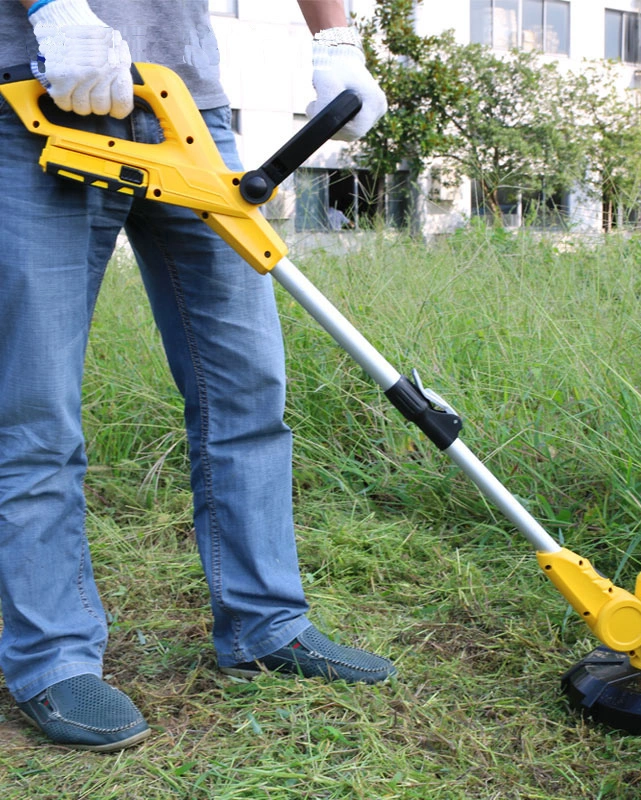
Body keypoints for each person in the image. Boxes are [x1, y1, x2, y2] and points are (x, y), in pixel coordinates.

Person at [0, 0, 393, 752]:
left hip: (187, 105)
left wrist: (336, 40)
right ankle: (52, 657)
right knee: (33, 406)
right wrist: (54, 12)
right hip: (40, 93)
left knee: (246, 385)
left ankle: (264, 623)